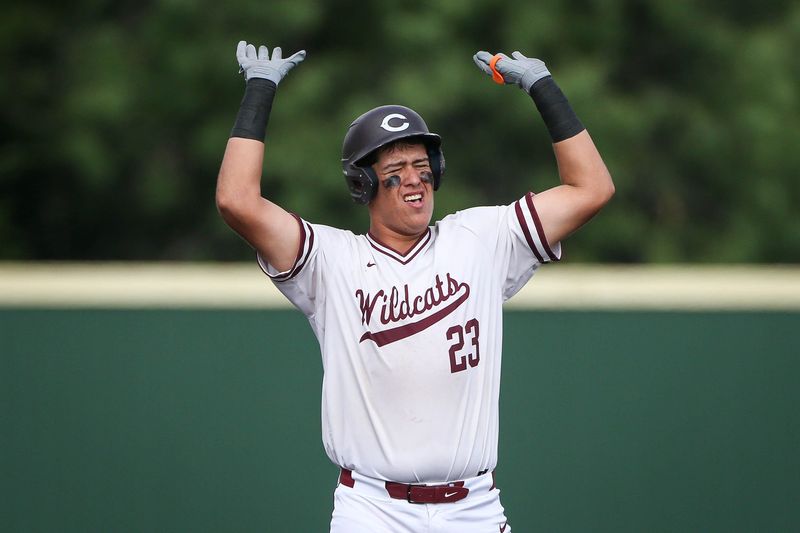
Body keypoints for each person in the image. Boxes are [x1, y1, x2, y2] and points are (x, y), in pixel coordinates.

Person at [216, 41, 614, 533]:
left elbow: (591, 189)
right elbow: (237, 201)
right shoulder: (331, 261)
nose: (415, 179)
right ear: (362, 185)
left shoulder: (481, 239)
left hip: (474, 506)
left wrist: (543, 89)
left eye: (423, 167)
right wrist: (259, 92)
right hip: (373, 509)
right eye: (395, 170)